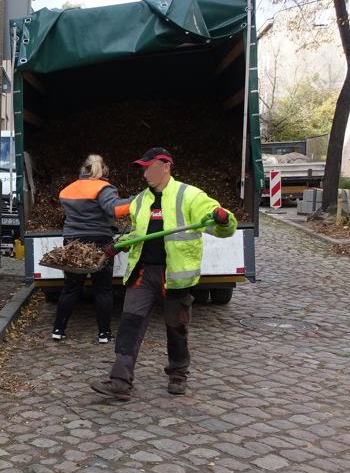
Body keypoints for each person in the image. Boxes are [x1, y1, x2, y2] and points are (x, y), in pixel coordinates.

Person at [90, 148, 237, 401]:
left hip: (175, 276)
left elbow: (222, 226)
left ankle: (178, 374)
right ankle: (120, 382)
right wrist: (120, 244)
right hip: (143, 273)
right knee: (129, 324)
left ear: (165, 166)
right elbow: (139, 233)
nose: (145, 173)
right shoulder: (140, 200)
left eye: (149, 167)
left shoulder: (190, 195)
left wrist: (224, 219)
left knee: (176, 327)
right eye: (144, 168)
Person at [51, 154, 130, 343]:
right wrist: (137, 200)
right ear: (102, 169)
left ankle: (58, 329)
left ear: (84, 169)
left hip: (72, 241)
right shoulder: (104, 188)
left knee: (71, 287)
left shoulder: (68, 190)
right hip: (99, 241)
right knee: (102, 289)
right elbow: (115, 210)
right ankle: (104, 333)